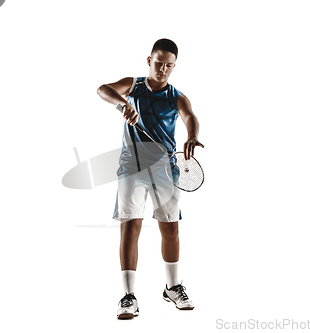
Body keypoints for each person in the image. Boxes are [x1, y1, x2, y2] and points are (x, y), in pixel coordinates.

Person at [97, 38, 204, 319]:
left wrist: (192, 136)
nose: (164, 69)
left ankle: (173, 288)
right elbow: (102, 89)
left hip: (165, 169)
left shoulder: (176, 96)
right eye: (159, 63)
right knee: (130, 227)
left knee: (170, 228)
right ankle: (128, 297)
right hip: (131, 167)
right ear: (149, 61)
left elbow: (189, 116)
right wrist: (123, 105)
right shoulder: (133, 86)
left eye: (170, 65)